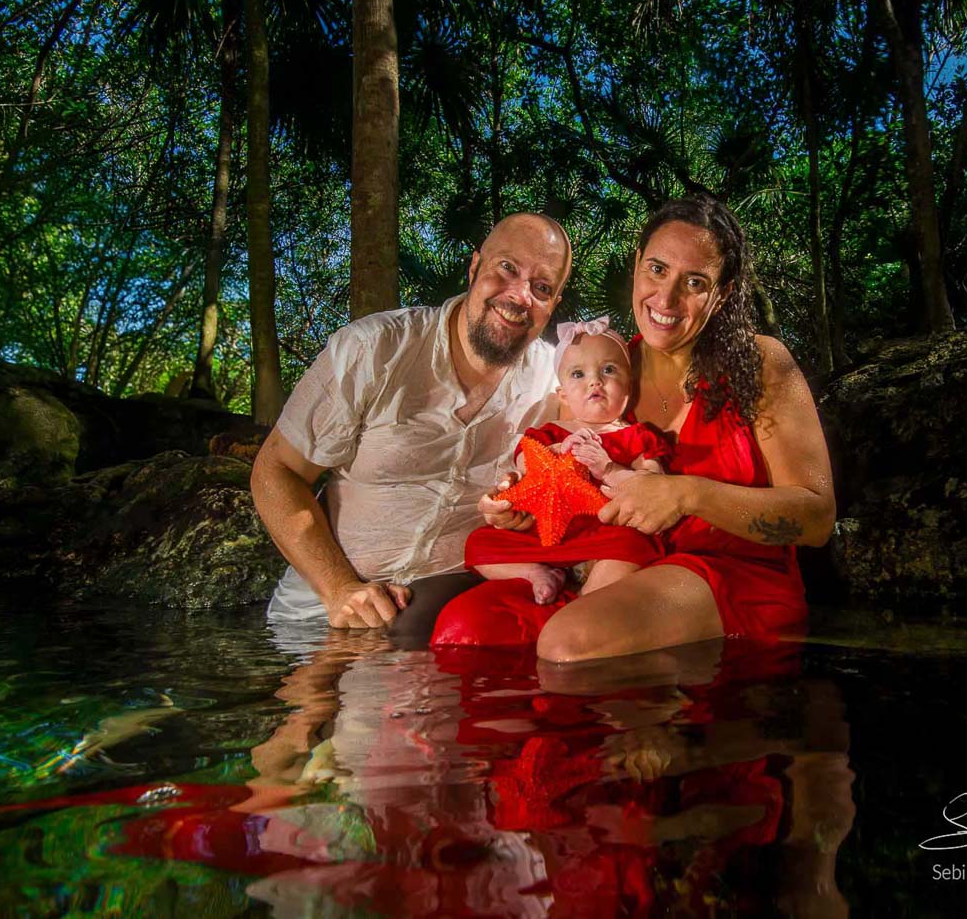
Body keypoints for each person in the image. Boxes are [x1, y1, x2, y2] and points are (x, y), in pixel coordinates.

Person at [431, 196, 837, 659]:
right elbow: (565, 484)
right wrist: (521, 509)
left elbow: (817, 518)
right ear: (637, 263)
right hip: (611, 568)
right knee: (465, 630)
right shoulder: (606, 369)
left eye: (695, 282)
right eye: (658, 270)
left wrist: (686, 494)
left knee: (569, 642)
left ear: (721, 294)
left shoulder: (759, 361)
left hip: (729, 574)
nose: (666, 299)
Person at [250, 212, 572, 641]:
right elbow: (276, 471)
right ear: (475, 266)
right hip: (317, 615)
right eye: (507, 268)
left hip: (441, 621)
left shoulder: (557, 384)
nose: (519, 296)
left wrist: (524, 516)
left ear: (554, 305)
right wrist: (339, 588)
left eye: (542, 287)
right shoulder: (373, 348)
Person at [464, 317, 672, 605]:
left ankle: (585, 602)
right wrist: (561, 450)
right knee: (478, 544)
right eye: (578, 374)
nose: (594, 381)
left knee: (634, 545)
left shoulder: (637, 436)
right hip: (546, 537)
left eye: (608, 370)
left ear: (628, 387)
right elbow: (525, 464)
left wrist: (609, 468)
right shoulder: (548, 433)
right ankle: (535, 574)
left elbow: (653, 484)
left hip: (604, 535)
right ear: (562, 394)